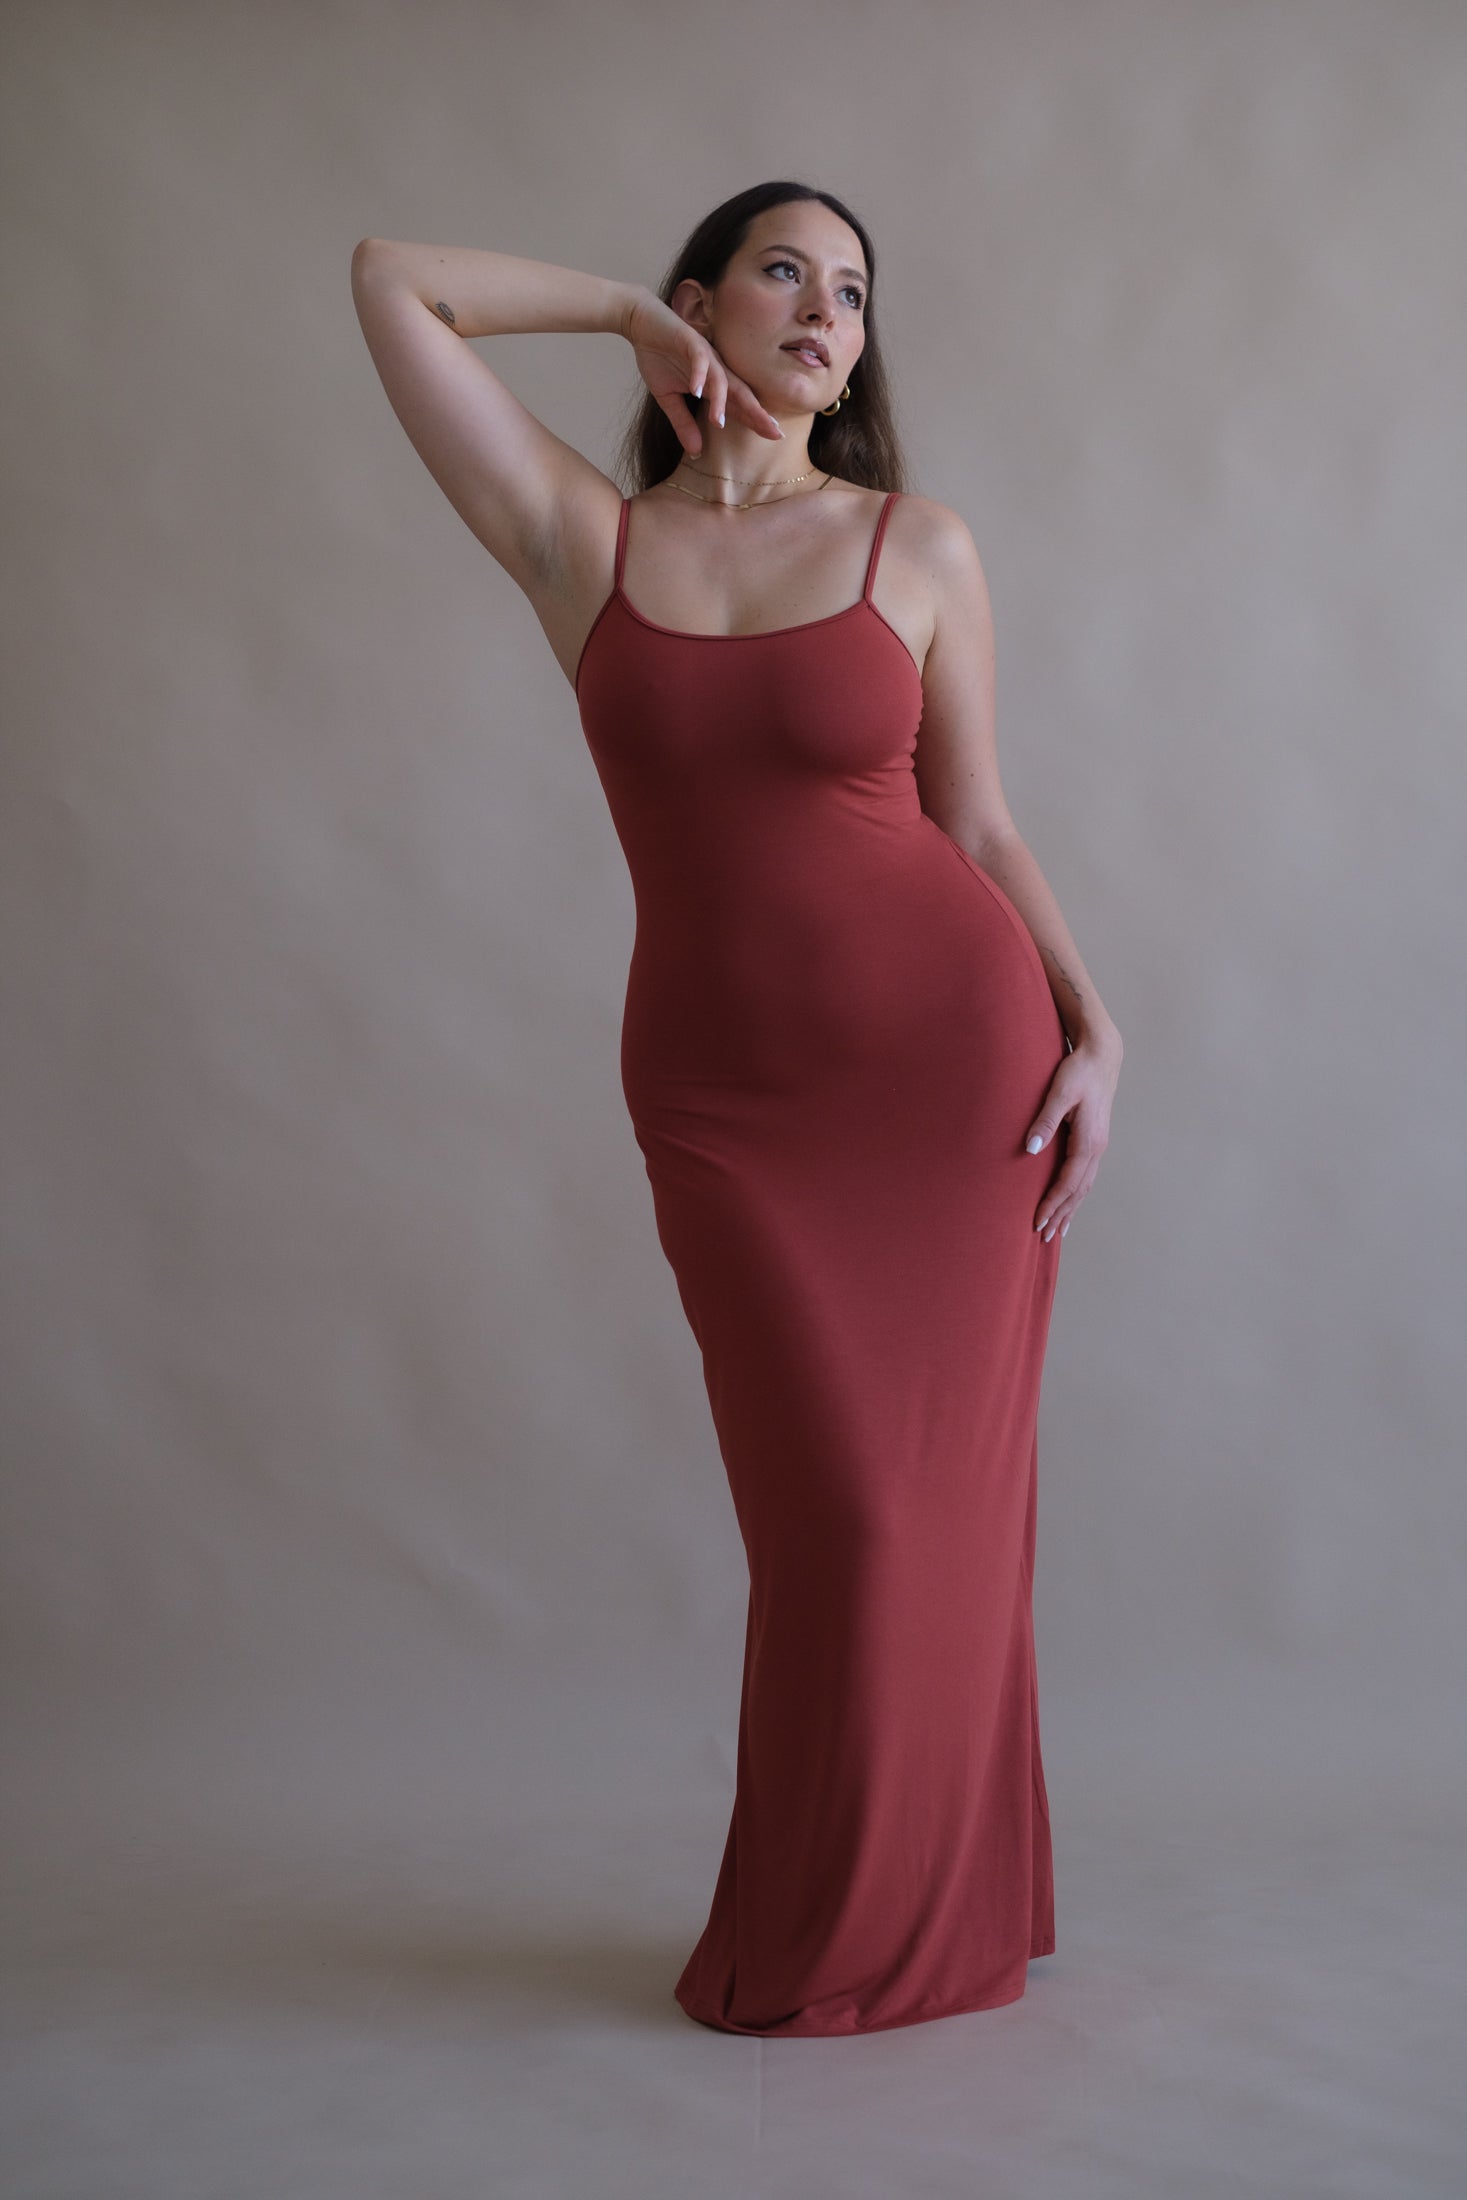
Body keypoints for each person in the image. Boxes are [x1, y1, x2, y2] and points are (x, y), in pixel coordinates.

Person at [351, 179, 1123, 2036]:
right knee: (834, 1518)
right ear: (706, 303)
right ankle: (855, 1916)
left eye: (853, 290)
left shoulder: (916, 544)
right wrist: (624, 312)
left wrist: (1094, 1024)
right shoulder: (585, 543)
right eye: (786, 270)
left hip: (950, 1079)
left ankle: (928, 1922)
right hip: (725, 1107)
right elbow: (391, 285)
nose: (826, 309)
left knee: (933, 1523)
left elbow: (977, 819)